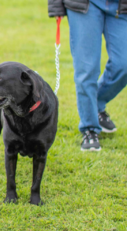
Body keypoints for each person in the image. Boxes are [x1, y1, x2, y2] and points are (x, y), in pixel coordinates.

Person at [48, 0, 127, 151]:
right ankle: (89, 128)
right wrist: (56, 5)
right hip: (85, 5)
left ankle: (95, 105)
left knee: (123, 65)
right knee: (87, 70)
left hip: (121, 6)